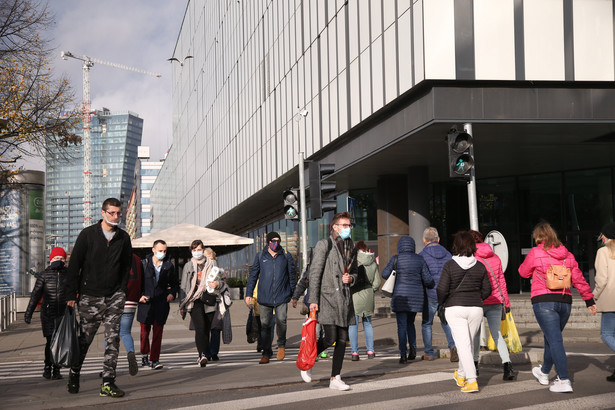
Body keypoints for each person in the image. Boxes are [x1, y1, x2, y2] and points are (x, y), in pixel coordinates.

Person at [64, 198, 133, 397]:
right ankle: (75, 373)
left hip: (114, 297)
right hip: (90, 297)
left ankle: (108, 382)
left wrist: (122, 291)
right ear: (102, 213)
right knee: (85, 339)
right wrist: (71, 294)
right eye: (112, 213)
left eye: (119, 213)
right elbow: (74, 265)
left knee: (112, 339)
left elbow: (126, 266)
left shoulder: (123, 238)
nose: (116, 217)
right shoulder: (88, 235)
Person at [520, 221, 596, 393]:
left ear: (538, 237)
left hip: (543, 301)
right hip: (565, 302)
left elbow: (523, 272)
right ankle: (544, 372)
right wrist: (589, 300)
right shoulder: (567, 254)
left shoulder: (535, 252)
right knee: (551, 338)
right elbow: (578, 279)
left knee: (554, 340)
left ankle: (564, 379)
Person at [300, 211, 358, 391]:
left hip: (345, 298)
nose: (348, 228)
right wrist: (313, 300)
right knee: (331, 337)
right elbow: (314, 274)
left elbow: (356, 272)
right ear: (335, 227)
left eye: (349, 226)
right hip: (327, 298)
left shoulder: (351, 246)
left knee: (342, 339)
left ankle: (335, 377)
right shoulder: (324, 244)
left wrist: (352, 279)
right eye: (345, 225)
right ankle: (307, 362)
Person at [437, 231, 491, 393]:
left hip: (455, 308)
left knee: (464, 345)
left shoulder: (449, 265)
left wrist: (443, 302)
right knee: (467, 344)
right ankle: (461, 374)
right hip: (476, 308)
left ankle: (472, 381)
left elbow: (441, 289)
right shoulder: (480, 265)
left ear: (456, 246)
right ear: (472, 246)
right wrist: (477, 298)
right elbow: (487, 289)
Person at [468, 230, 516, 380]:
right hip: (496, 300)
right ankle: (507, 365)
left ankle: (474, 366)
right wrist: (506, 302)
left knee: (475, 334)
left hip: (478, 301)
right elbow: (501, 281)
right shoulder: (495, 257)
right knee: (497, 335)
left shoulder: (472, 259)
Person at [245, 231, 296, 364]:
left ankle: (281, 346)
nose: (276, 243)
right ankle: (266, 352)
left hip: (282, 295)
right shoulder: (260, 256)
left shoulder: (285, 255)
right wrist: (248, 293)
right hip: (264, 297)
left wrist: (293, 294)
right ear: (268, 242)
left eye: (278, 240)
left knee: (281, 321)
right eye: (273, 240)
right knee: (265, 325)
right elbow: (253, 276)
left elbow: (292, 275)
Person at [382, 236, 435, 364]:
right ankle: (413, 350)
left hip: (400, 298)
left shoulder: (396, 259)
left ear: (400, 246)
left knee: (401, 326)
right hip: (416, 298)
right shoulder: (420, 259)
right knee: (411, 324)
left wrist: (395, 269)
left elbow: (384, 274)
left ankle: (403, 354)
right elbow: (428, 280)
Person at [24, 247, 68, 380]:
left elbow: (75, 291)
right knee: (50, 342)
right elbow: (35, 295)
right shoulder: (43, 275)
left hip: (63, 314)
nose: (59, 261)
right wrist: (28, 314)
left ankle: (57, 369)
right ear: (51, 259)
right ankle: (47, 367)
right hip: (48, 313)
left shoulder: (69, 274)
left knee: (59, 342)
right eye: (56, 258)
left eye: (61, 259)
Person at [179, 240, 222, 367]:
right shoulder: (188, 265)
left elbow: (219, 279)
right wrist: (182, 304)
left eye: (199, 249)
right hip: (193, 300)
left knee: (207, 328)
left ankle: (205, 353)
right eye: (194, 250)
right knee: (200, 327)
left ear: (203, 250)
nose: (197, 252)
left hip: (209, 298)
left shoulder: (212, 263)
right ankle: (202, 355)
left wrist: (217, 284)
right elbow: (184, 285)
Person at [137, 239, 178, 370]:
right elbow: (137, 283)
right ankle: (144, 355)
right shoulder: (144, 264)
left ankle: (155, 359)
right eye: (160, 250)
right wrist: (139, 296)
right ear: (153, 250)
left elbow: (175, 283)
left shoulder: (168, 266)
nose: (163, 253)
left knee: (158, 333)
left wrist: (172, 293)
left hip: (161, 304)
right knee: (144, 332)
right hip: (146, 303)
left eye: (165, 251)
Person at [419, 227, 457, 362]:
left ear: (424, 240)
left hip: (429, 293)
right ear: (438, 239)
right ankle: (453, 345)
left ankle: (429, 352)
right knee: (446, 321)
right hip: (446, 293)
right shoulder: (448, 254)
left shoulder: (422, 255)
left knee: (427, 323)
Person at [349, 241, 380, 360]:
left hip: (355, 295)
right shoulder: (372, 263)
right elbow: (377, 282)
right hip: (368, 295)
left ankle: (355, 353)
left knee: (353, 325)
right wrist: (371, 290)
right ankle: (370, 351)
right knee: (368, 324)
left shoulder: (353, 262)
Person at [594, 222, 615, 382]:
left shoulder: (603, 252)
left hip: (611, 299)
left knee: (607, 334)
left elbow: (602, 279)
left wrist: (592, 296)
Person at [119, 254, 143, 376]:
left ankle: (108, 366)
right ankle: (130, 352)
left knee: (110, 333)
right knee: (125, 332)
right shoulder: (137, 259)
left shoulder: (115, 254)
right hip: (132, 300)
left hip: (115, 299)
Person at [203, 247, 222, 361]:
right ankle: (213, 352)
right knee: (215, 328)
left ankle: (206, 352)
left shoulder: (208, 268)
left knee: (205, 328)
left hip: (207, 300)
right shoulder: (219, 269)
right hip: (217, 301)